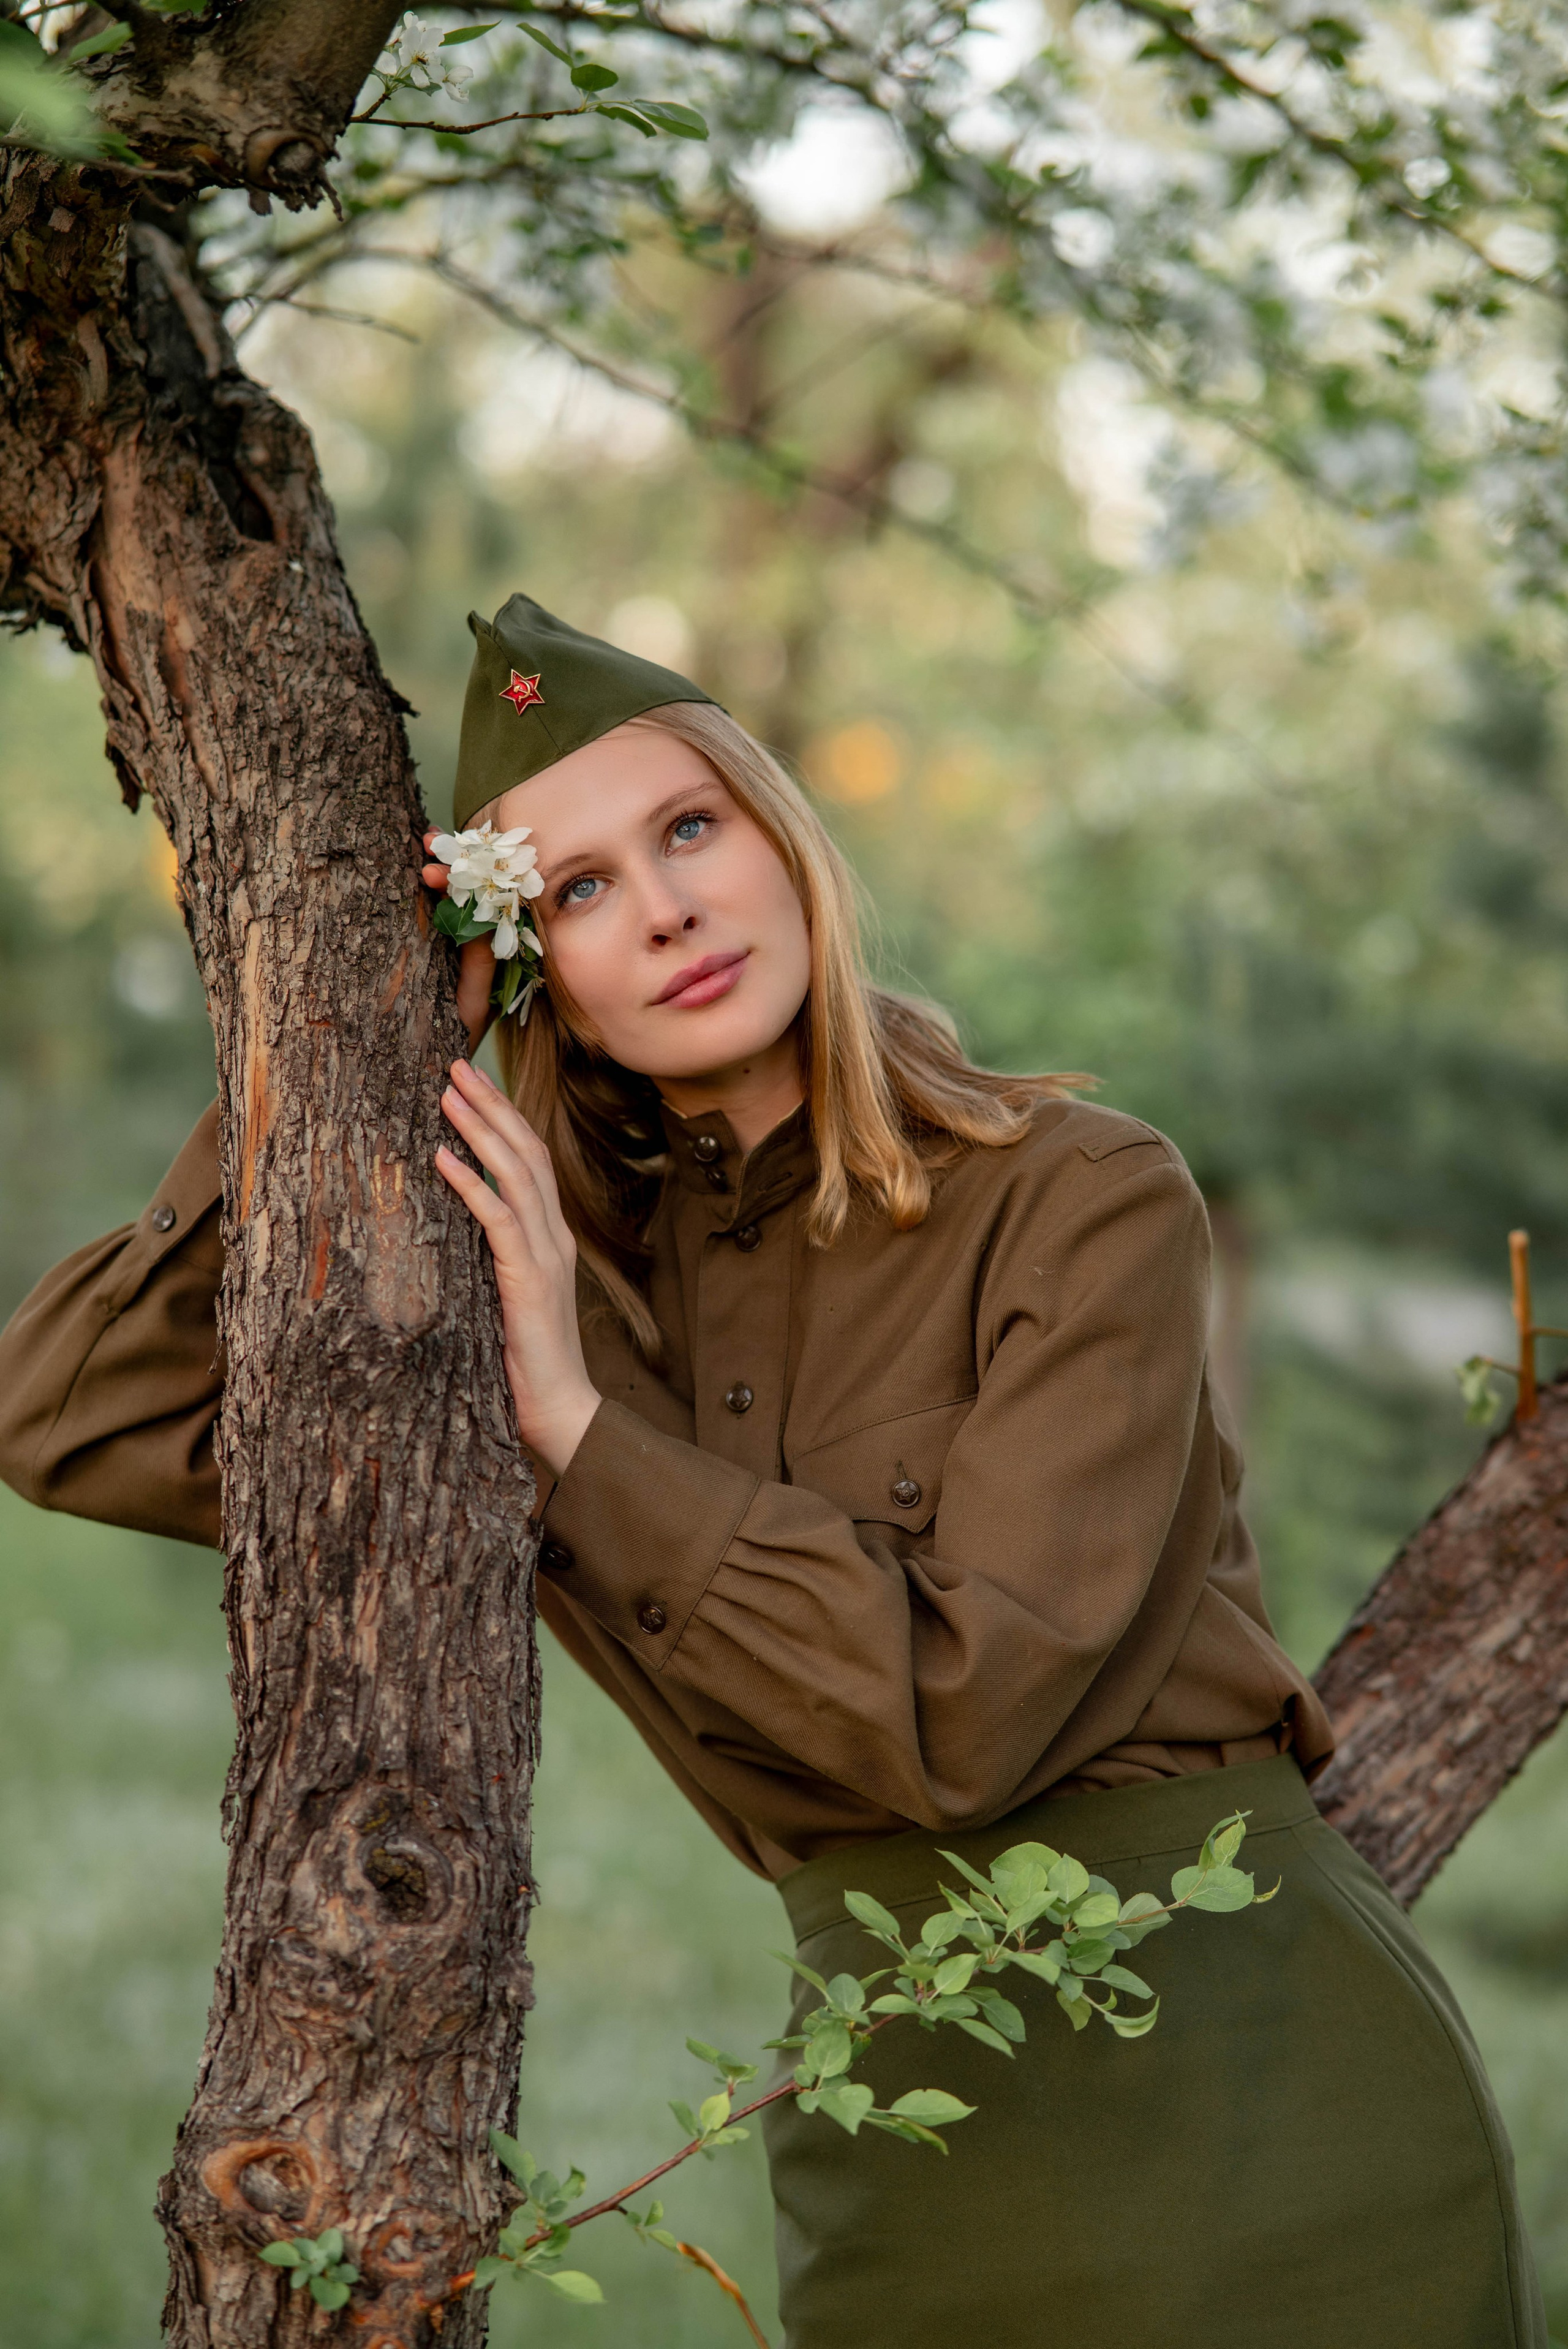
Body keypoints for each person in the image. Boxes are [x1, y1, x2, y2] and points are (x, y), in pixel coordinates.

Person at [0, 594, 1545, 2349]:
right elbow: (65, 1411)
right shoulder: (534, 1286)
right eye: (575, 889)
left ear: (780, 839)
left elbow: (957, 1725)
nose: (663, 908)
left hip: (1272, 2113)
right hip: (906, 2146)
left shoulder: (1082, 1194)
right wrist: (335, 1049)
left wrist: (582, 1435)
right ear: (530, 973)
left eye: (688, 828)